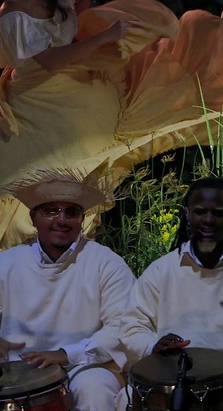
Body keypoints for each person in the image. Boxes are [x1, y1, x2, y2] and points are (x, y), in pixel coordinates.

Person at [0, 0, 223, 248]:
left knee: (86, 148)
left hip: (80, 79)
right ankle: (47, 245)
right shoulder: (12, 16)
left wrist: (84, 33)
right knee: (43, 164)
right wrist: (103, 37)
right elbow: (51, 61)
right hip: (42, 92)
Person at [115, 176, 223, 411]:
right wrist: (153, 346)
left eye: (218, 213)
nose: (208, 220)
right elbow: (131, 326)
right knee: (126, 397)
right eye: (200, 211)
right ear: (188, 214)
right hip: (169, 377)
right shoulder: (162, 270)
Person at [0, 167, 135, 411]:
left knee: (94, 387)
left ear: (81, 219)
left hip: (86, 365)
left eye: (71, 212)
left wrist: (66, 354)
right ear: (33, 218)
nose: (61, 220)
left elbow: (124, 325)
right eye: (51, 211)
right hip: (18, 370)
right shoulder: (7, 263)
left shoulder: (105, 262)